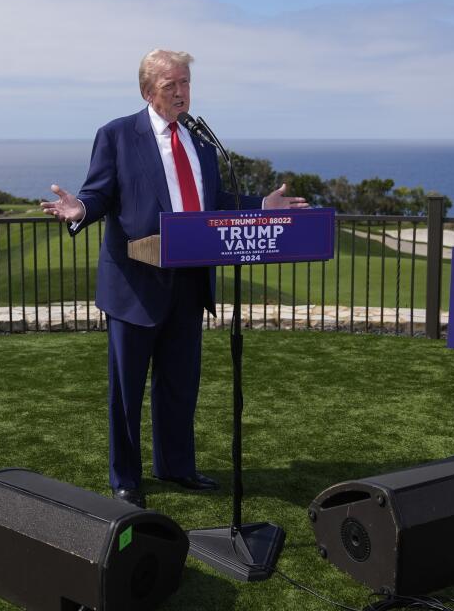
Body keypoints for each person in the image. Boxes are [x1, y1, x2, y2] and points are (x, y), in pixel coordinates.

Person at [41, 49, 309, 508]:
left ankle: (177, 466)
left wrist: (262, 207)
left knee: (181, 383)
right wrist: (79, 209)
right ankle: (126, 476)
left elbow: (214, 199)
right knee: (127, 391)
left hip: (189, 282)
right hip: (135, 283)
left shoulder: (200, 143)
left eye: (185, 83)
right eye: (171, 86)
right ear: (148, 92)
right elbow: (99, 192)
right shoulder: (118, 135)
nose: (182, 92)